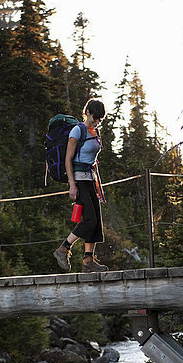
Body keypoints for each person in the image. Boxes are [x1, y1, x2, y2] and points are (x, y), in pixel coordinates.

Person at [53, 98, 109, 273]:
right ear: (88, 113)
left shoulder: (95, 132)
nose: (97, 121)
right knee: (89, 220)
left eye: (100, 119)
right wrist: (72, 185)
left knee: (96, 221)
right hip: (79, 180)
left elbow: (92, 157)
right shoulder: (77, 131)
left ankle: (88, 261)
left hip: (91, 179)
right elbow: (68, 159)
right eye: (95, 118)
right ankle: (63, 248)